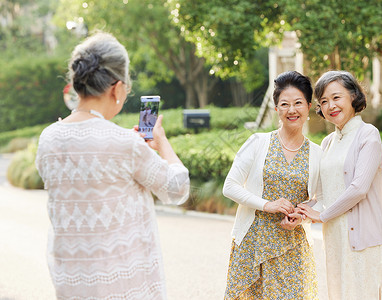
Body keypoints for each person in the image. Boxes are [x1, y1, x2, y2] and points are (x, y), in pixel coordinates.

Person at [35, 32, 190, 300]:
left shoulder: (48, 139)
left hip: (71, 286)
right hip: (123, 289)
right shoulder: (124, 144)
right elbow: (177, 190)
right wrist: (161, 142)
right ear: (116, 88)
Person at [223, 71, 322, 299]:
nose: (292, 110)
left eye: (298, 103)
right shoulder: (257, 142)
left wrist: (302, 215)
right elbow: (230, 186)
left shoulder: (318, 154)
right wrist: (267, 204)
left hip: (293, 246)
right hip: (252, 243)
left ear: (308, 107)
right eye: (284, 104)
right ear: (276, 109)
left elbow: (321, 197)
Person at [296, 70, 382, 299]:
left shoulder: (368, 135)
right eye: (324, 101)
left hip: (363, 240)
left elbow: (358, 188)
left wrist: (323, 215)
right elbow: (320, 194)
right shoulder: (328, 142)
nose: (330, 106)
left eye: (336, 97)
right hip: (335, 238)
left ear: (353, 96)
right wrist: (301, 213)